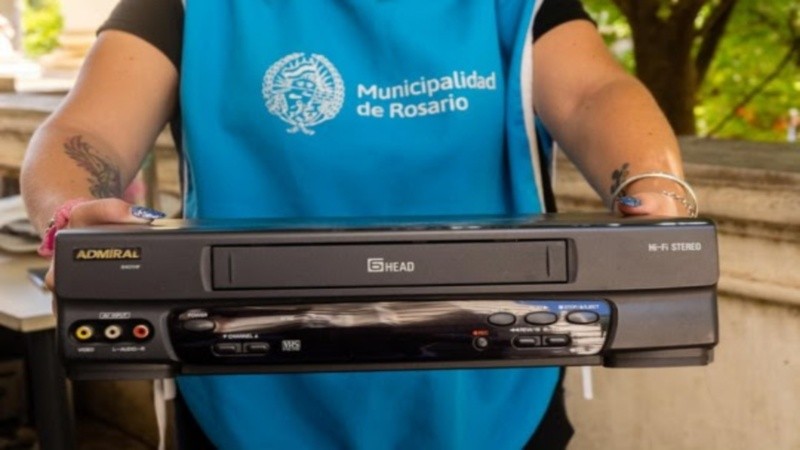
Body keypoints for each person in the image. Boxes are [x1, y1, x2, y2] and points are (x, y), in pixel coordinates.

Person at [20, 0, 696, 448]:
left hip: (492, 400)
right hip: (244, 398)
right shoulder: (188, 7)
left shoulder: (515, 5)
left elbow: (593, 93)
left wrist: (652, 185)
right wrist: (73, 214)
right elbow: (85, 130)